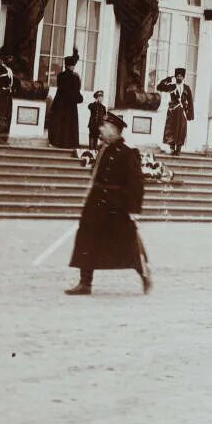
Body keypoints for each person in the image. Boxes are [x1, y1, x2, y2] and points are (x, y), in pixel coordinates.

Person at [65, 111, 149, 295]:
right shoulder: (104, 149)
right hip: (96, 203)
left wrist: (134, 208)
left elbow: (136, 182)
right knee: (86, 239)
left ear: (114, 129)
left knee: (127, 242)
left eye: (105, 126)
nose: (101, 129)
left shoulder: (128, 151)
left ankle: (143, 271)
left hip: (117, 205)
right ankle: (85, 283)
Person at [46, 52, 83, 151]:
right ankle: (67, 143)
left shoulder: (61, 76)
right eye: (72, 65)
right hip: (68, 104)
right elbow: (74, 90)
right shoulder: (74, 77)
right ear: (69, 66)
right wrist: (78, 98)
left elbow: (69, 90)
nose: (73, 67)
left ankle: (59, 142)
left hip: (61, 103)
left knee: (62, 123)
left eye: (73, 65)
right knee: (67, 123)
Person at [156, 68, 195, 155]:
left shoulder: (187, 88)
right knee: (171, 129)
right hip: (173, 111)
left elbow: (190, 102)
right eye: (177, 76)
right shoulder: (171, 86)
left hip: (182, 112)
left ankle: (179, 149)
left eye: (181, 76)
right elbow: (159, 87)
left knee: (181, 130)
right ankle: (172, 149)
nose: (179, 78)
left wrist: (190, 114)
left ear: (183, 77)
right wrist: (167, 79)